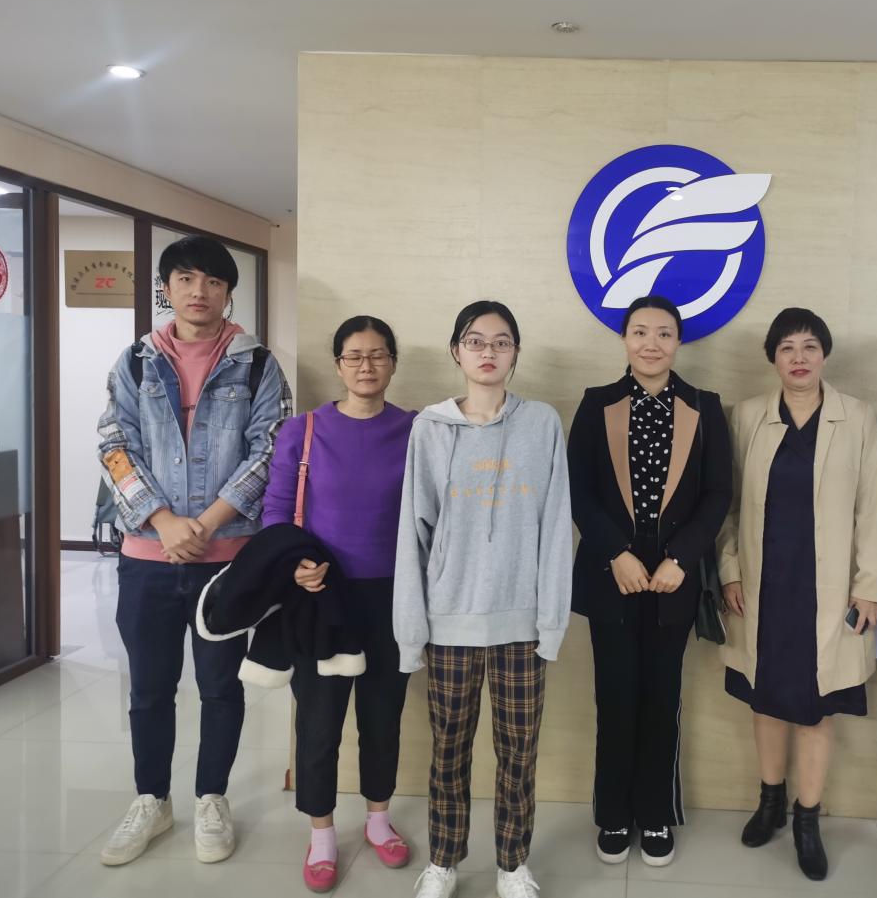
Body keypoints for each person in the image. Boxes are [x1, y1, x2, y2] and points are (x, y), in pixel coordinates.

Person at [96, 235, 291, 866]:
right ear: (166, 288)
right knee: (149, 690)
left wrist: (201, 525)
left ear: (228, 291)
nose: (198, 291)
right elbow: (113, 445)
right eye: (184, 278)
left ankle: (211, 797)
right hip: (146, 558)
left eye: (212, 280)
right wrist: (162, 520)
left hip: (226, 561)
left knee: (220, 688)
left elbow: (271, 450)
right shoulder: (135, 362)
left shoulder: (258, 365)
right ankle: (152, 800)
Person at [394, 301, 572, 898]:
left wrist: (551, 621)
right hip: (450, 622)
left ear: (516, 352)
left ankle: (513, 864)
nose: (488, 351)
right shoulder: (430, 428)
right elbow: (414, 532)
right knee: (448, 752)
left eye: (501, 341)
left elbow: (556, 525)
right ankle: (443, 860)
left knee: (518, 754)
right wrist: (412, 632)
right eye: (475, 341)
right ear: (457, 351)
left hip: (521, 624)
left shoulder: (542, 423)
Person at [718, 307, 877, 882]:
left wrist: (870, 586)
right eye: (787, 347)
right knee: (765, 698)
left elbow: (871, 508)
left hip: (828, 590)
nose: (798, 357)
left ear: (825, 355)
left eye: (810, 346)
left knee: (816, 704)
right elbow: (727, 506)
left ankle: (807, 819)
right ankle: (769, 802)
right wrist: (729, 571)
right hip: (763, 585)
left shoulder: (856, 417)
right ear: (773, 357)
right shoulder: (746, 416)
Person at [567, 295, 732, 868]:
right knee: (615, 698)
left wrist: (681, 558)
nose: (651, 343)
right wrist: (615, 552)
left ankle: (656, 813)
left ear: (678, 342)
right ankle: (613, 814)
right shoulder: (597, 403)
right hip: (611, 576)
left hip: (672, 581)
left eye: (664, 333)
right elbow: (579, 489)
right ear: (624, 339)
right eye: (640, 331)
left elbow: (718, 493)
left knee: (663, 698)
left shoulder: (704, 406)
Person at [261, 316, 416, 892]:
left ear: (393, 362)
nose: (366, 366)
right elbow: (276, 510)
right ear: (338, 364)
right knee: (319, 721)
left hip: (393, 597)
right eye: (354, 356)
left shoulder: (417, 429)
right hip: (320, 597)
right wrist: (293, 566)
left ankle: (378, 819)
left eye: (378, 355)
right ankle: (322, 832)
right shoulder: (302, 431)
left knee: (382, 716)